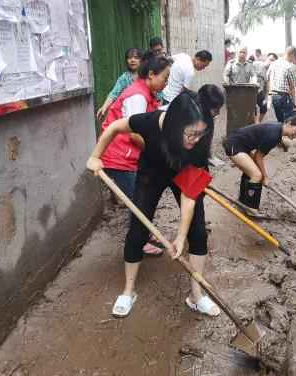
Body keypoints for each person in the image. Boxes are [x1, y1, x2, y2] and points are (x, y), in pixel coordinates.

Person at [87, 88, 225, 318]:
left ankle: (196, 296)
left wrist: (180, 237)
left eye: (200, 134)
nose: (196, 140)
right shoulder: (151, 122)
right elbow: (115, 127)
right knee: (138, 231)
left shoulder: (199, 144)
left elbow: (189, 197)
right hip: (152, 173)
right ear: (174, 124)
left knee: (198, 231)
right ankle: (128, 291)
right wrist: (95, 156)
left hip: (184, 172)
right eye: (190, 134)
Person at [101, 53, 172, 255]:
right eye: (164, 78)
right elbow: (135, 135)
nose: (166, 83)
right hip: (119, 156)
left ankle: (144, 232)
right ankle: (138, 242)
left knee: (142, 198)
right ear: (151, 74)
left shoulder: (147, 94)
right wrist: (156, 151)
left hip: (129, 155)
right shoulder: (137, 96)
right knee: (138, 202)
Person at [222, 113, 296, 214]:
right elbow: (259, 157)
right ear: (289, 123)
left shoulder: (277, 130)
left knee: (251, 173)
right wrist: (265, 177)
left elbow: (257, 156)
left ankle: (243, 203)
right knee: (257, 175)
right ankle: (250, 208)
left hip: (241, 145)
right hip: (234, 144)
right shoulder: (274, 134)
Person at [96, 48, 143, 120]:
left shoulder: (146, 76)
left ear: (141, 60)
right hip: (128, 115)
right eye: (129, 58)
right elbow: (113, 94)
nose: (132, 60)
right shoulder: (124, 78)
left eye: (136, 58)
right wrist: (104, 107)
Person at [267, 46, 296, 126]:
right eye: (294, 57)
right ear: (292, 55)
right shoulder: (289, 66)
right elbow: (292, 87)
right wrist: (295, 102)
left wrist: (269, 96)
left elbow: (268, 80)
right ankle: (285, 136)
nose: (294, 60)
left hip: (274, 97)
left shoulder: (273, 64)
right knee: (289, 122)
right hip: (284, 97)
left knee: (280, 121)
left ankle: (280, 136)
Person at [253, 52, 278, 122]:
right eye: (270, 59)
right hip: (250, 91)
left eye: (273, 61)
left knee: (264, 107)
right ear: (267, 58)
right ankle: (254, 124)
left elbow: (267, 86)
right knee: (252, 108)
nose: (271, 62)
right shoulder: (256, 64)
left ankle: (258, 122)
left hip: (259, 91)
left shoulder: (270, 72)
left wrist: (266, 99)